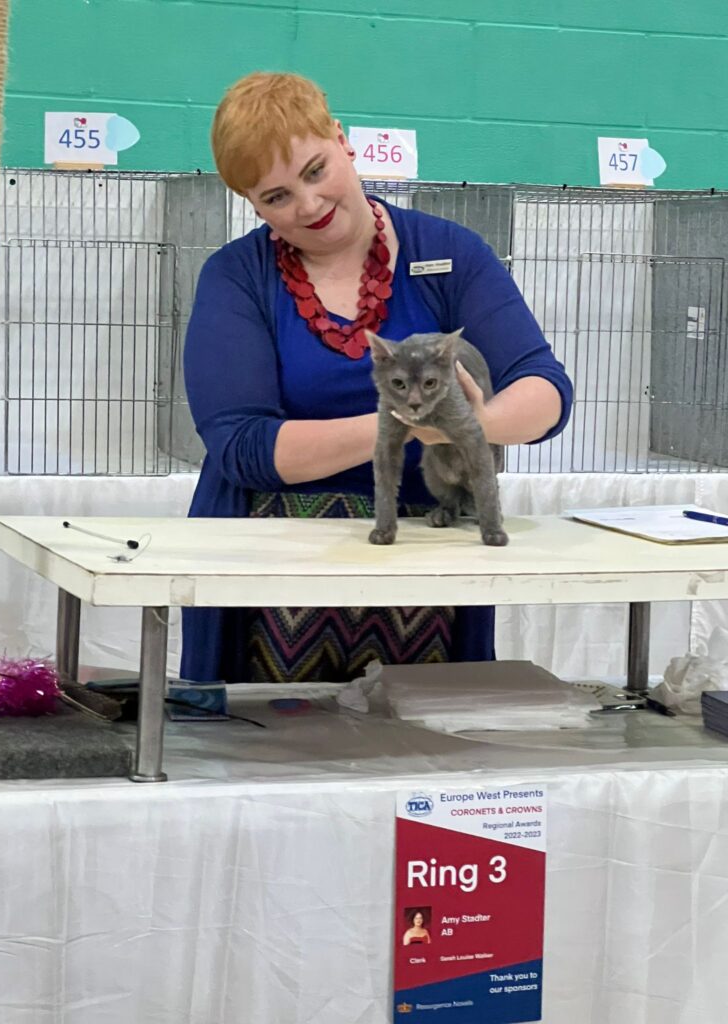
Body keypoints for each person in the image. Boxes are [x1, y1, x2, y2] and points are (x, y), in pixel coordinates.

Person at [181, 71, 573, 684]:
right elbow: (241, 446)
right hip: (272, 575)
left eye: (315, 171)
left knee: (425, 759)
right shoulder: (236, 277)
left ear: (342, 140)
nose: (307, 206)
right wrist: (412, 423)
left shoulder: (452, 253)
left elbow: (545, 388)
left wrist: (478, 425)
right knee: (270, 755)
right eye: (275, 197)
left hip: (427, 565)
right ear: (251, 204)